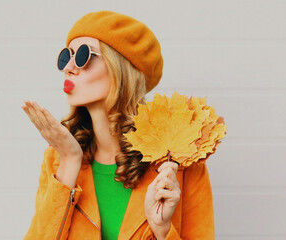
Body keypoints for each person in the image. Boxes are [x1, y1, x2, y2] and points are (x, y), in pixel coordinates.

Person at [22, 11, 214, 240]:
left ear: (120, 69)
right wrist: (70, 161)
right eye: (66, 57)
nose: (69, 68)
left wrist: (162, 230)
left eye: (83, 56)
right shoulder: (58, 158)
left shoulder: (179, 163)